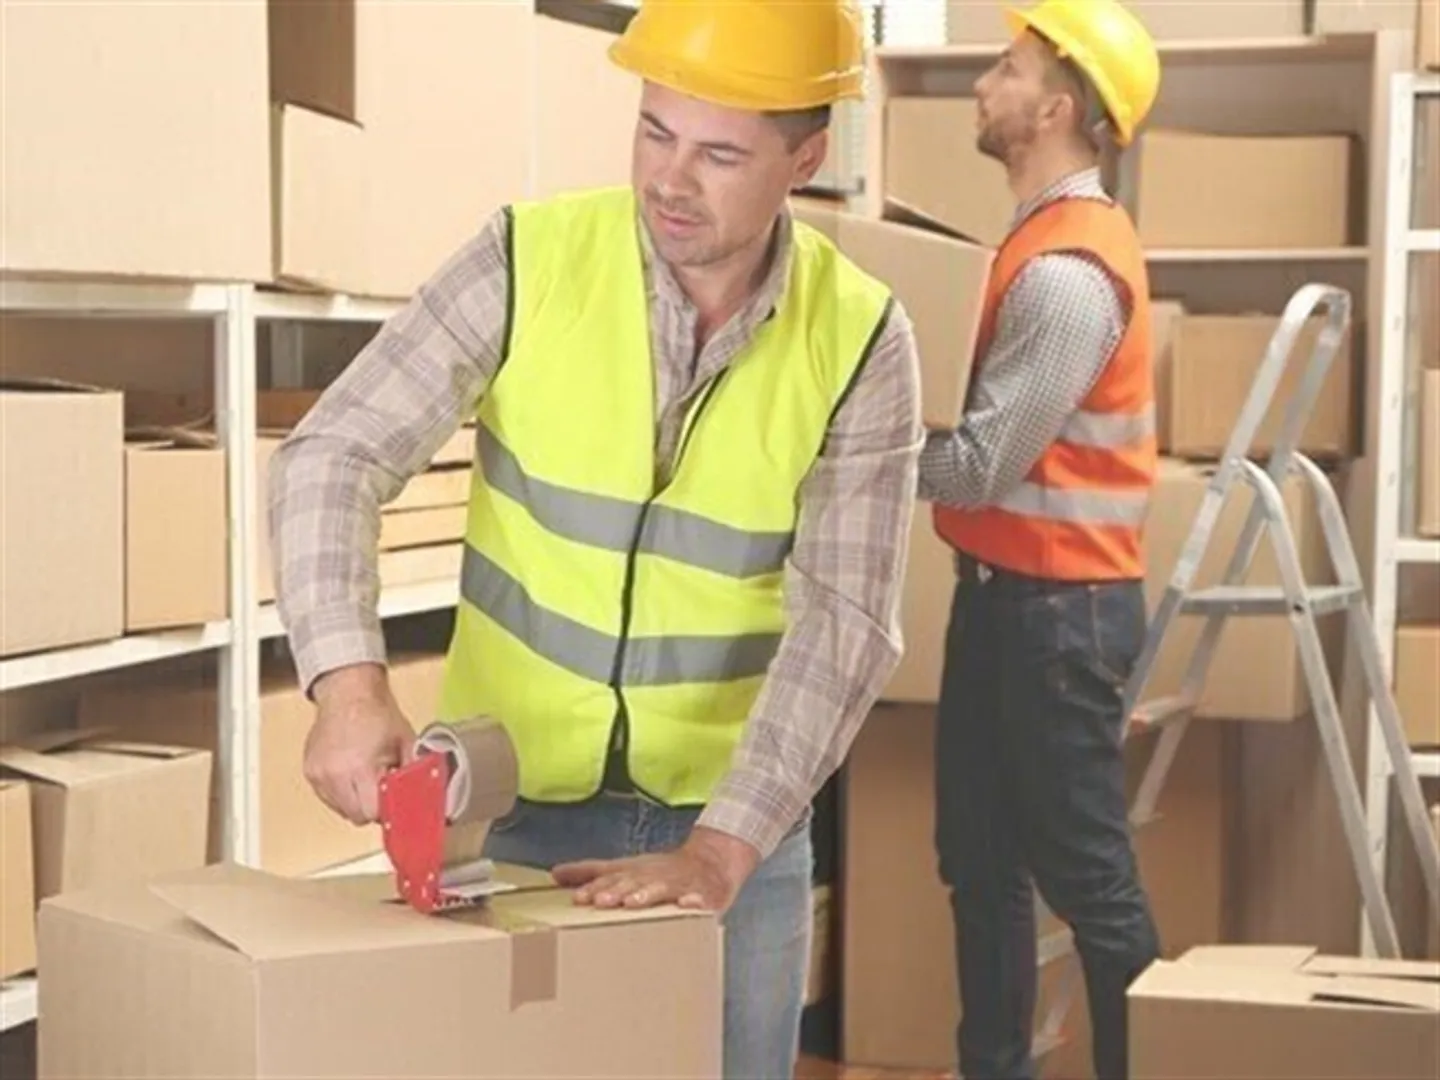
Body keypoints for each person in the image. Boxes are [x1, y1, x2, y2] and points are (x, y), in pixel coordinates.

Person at [267, 2, 923, 1077]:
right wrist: (345, 682)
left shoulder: (861, 339)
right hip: (518, 819)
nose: (670, 177)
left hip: (732, 837)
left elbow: (846, 624)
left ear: (805, 157)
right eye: (654, 130)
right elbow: (333, 452)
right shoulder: (528, 259)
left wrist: (721, 849)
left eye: (718, 152)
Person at [917, 2, 1163, 1079]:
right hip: (1006, 604)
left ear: (1057, 107)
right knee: (978, 864)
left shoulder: (1067, 271)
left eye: (1007, 68)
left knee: (1095, 892)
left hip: (1059, 620)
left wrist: (832, 455)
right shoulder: (1031, 240)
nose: (984, 83)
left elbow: (978, 465)